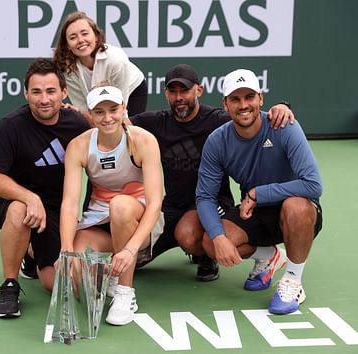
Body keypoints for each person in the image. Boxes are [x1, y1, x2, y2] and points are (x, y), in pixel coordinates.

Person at [129, 64, 295, 281]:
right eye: (173, 91)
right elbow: (116, 123)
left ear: (199, 90)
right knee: (135, 258)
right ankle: (195, 248)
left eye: (185, 90)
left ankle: (210, 255)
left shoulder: (218, 120)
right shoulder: (155, 122)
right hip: (172, 206)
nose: (179, 97)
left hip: (211, 202)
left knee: (187, 235)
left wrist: (282, 106)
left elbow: (253, 116)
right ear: (166, 94)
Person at [196, 69, 323, 314]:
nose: (243, 105)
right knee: (209, 242)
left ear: (260, 98)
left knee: (294, 205)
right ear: (225, 104)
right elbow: (205, 197)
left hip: (298, 212)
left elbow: (313, 184)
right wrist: (219, 237)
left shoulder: (285, 126)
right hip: (256, 213)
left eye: (249, 97)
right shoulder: (217, 141)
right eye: (235, 99)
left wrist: (257, 194)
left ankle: (293, 280)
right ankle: (271, 256)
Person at [0, 58, 90, 318]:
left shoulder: (77, 124)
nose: (44, 99)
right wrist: (29, 197)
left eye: (51, 91)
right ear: (25, 93)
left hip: (55, 210)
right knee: (21, 211)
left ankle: (30, 252)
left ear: (64, 93)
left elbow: (107, 135)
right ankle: (10, 286)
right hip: (9, 203)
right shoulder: (11, 125)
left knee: (55, 283)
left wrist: (86, 115)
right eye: (36, 91)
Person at [60, 85, 163, 326]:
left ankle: (125, 292)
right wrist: (67, 251)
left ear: (124, 108)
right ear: (90, 114)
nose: (107, 118)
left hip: (139, 220)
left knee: (120, 206)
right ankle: (108, 275)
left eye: (113, 110)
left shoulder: (143, 140)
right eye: (99, 112)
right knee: (79, 274)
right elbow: (70, 203)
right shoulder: (79, 145)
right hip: (99, 221)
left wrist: (129, 250)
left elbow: (156, 201)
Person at [53, 11, 147, 117]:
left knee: (126, 125)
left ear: (96, 36)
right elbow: (85, 109)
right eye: (73, 37)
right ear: (67, 45)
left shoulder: (116, 60)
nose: (80, 40)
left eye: (85, 34)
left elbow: (121, 109)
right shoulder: (66, 68)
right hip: (97, 98)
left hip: (133, 89)